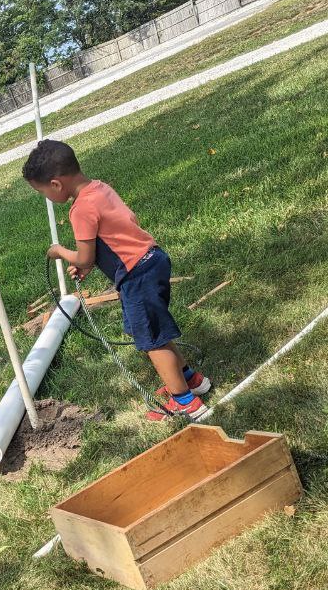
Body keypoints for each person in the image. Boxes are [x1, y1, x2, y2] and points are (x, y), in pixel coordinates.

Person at [21, 139, 212, 420]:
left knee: (152, 341)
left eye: (43, 191)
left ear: (57, 184)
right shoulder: (99, 188)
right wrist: (89, 264)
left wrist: (59, 251)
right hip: (152, 260)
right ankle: (191, 381)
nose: (46, 197)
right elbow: (109, 238)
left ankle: (185, 403)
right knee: (155, 330)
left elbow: (84, 257)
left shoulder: (80, 210)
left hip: (136, 276)